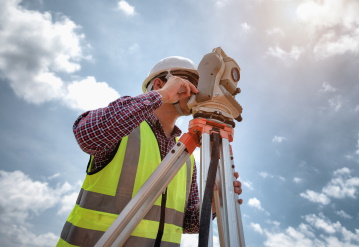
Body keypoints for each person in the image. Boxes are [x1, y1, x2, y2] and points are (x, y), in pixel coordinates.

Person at [57, 56, 243, 247]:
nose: (195, 90)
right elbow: (88, 134)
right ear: (158, 83)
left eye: (198, 84)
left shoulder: (186, 156)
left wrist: (214, 201)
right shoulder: (124, 129)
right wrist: (161, 95)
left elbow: (188, 223)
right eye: (188, 82)